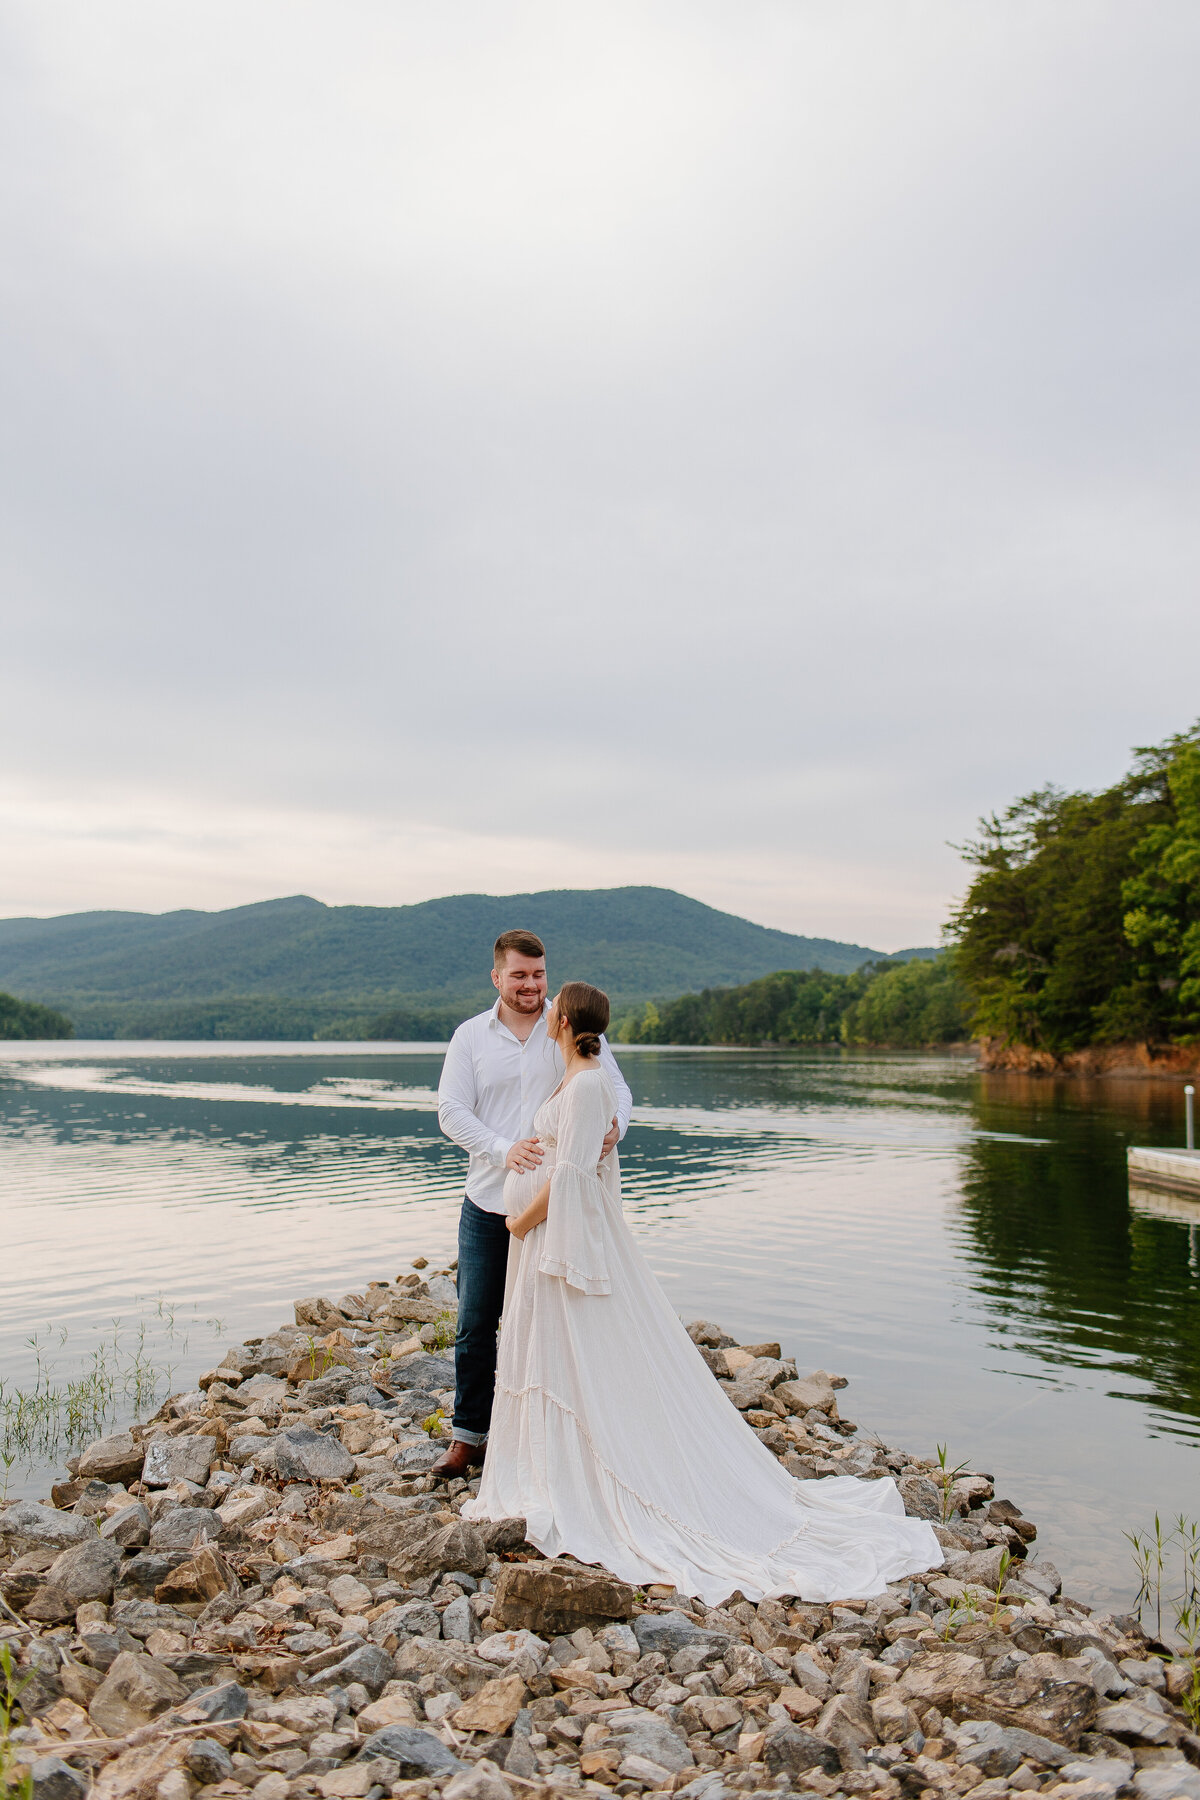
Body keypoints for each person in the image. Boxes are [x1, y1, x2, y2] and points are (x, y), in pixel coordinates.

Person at [462, 979, 942, 1603]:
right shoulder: (575, 1075)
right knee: (551, 1351)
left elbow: (577, 1176)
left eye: (553, 1004)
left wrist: (520, 1221)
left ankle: (594, 1477)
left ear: (566, 1022)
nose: (544, 1006)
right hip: (543, 1241)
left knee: (582, 1350)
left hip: (551, 1239)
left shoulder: (587, 1083)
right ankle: (547, 1466)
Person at [433, 931, 633, 1480]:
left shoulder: (567, 1024)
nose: (531, 985)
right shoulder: (470, 1037)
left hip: (552, 1212)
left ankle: (550, 1441)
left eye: (538, 974)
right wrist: (502, 1148)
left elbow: (615, 1090)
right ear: (497, 977)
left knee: (550, 1323)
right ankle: (468, 1437)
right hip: (488, 1202)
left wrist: (614, 1128)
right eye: (519, 975)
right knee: (476, 1324)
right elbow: (451, 1110)